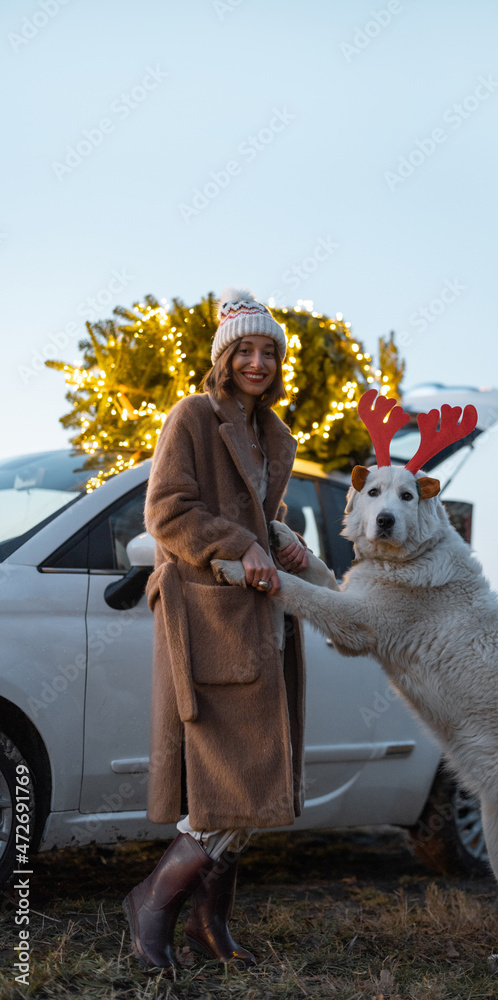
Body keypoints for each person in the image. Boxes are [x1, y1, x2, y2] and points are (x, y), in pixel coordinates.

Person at [123, 288, 309, 971]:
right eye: (245, 351)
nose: (256, 362)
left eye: (268, 352)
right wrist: (239, 543)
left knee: (253, 779)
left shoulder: (272, 432)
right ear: (223, 358)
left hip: (261, 616)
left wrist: (278, 534)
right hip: (210, 618)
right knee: (227, 778)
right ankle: (151, 902)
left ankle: (209, 920)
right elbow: (166, 511)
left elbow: (260, 512)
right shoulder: (192, 416)